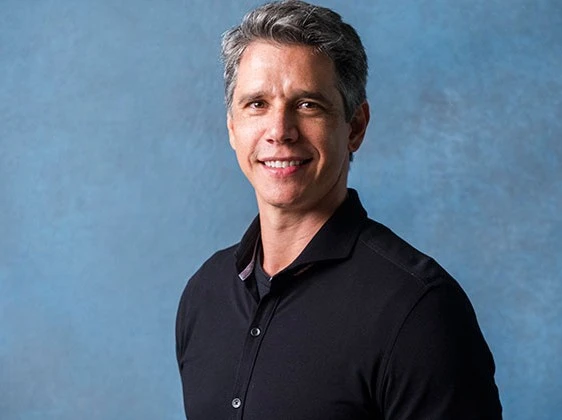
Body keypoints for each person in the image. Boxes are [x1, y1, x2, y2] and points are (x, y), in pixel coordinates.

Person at [176, 1, 502, 419]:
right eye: (257, 104)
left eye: (308, 104)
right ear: (232, 128)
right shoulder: (205, 295)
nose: (280, 131)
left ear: (355, 127)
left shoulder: (419, 311)